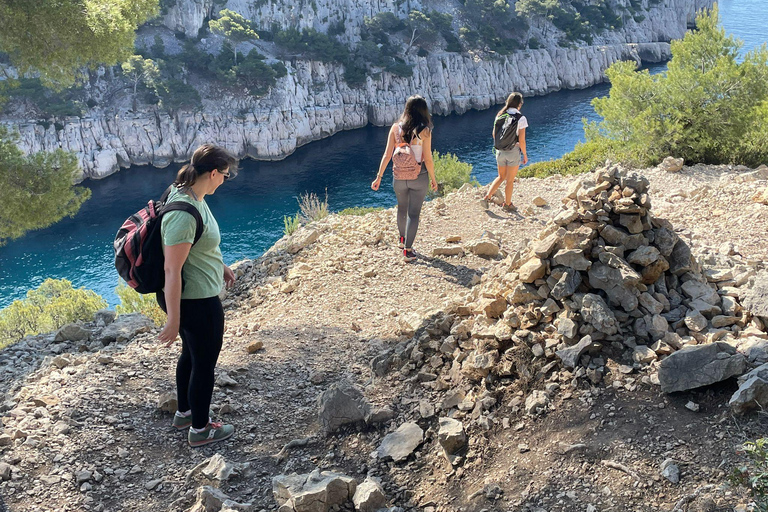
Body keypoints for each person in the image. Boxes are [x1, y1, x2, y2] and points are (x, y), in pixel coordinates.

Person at [156, 144, 238, 447]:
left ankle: (186, 413)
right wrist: (174, 320)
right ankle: (201, 430)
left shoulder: (192, 195)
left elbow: (198, 247)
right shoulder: (184, 212)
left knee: (191, 355)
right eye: (225, 176)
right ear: (213, 173)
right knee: (204, 365)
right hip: (195, 301)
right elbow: (171, 270)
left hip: (194, 296)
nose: (224, 181)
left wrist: (222, 266)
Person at [371, 95, 438, 262]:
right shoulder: (425, 131)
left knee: (402, 208)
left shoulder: (395, 128)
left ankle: (402, 241)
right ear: (424, 111)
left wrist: (378, 177)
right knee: (414, 213)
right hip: (419, 176)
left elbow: (387, 155)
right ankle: (408, 251)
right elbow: (428, 158)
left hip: (398, 176)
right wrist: (434, 178)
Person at [482, 92, 528, 212]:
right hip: (513, 152)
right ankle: (507, 204)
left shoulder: (500, 115)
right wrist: (525, 155)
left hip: (500, 152)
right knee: (510, 180)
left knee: (501, 176)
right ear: (519, 104)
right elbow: (522, 141)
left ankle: (487, 197)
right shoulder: (521, 118)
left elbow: (494, 135)